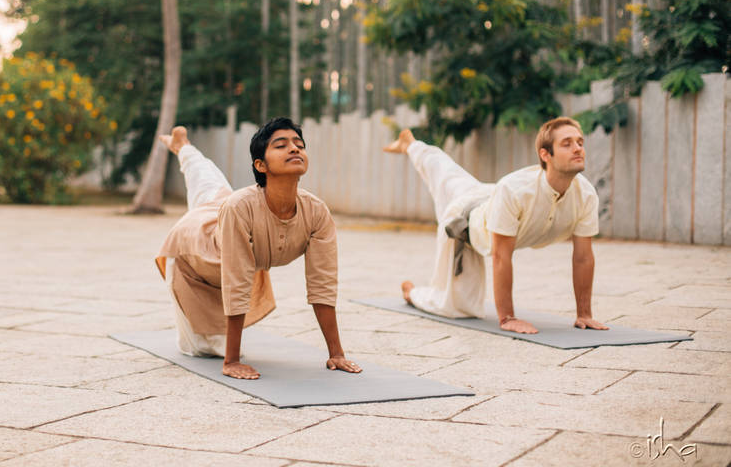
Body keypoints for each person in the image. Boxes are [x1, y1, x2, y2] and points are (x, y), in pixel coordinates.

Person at [155, 117, 362, 380]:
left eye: (299, 144)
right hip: (193, 248)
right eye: (281, 145)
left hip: (222, 212)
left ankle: (182, 146)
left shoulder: (317, 212)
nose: (295, 149)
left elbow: (323, 282)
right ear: (260, 165)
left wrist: (337, 353)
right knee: (201, 349)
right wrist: (231, 361)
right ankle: (183, 147)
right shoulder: (239, 207)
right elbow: (238, 278)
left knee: (209, 183)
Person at [383, 116, 608, 334]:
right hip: (466, 219)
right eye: (566, 144)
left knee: (448, 174)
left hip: (490, 197)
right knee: (455, 307)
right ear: (545, 154)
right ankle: (412, 294)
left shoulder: (586, 194)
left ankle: (410, 145)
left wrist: (584, 314)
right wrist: (508, 317)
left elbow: (583, 257)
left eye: (580, 142)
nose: (578, 148)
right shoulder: (514, 190)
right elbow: (501, 255)